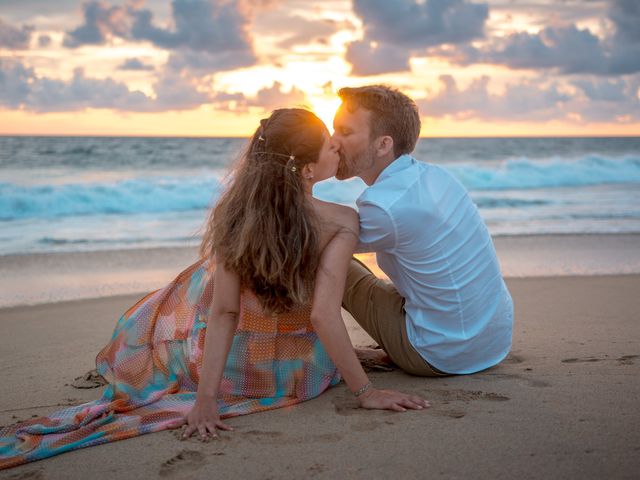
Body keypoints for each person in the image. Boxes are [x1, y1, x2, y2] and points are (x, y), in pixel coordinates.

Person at [0, 108, 427, 470]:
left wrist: (205, 400)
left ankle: (169, 356)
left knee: (198, 281)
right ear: (308, 169)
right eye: (329, 144)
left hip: (237, 372)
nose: (338, 145)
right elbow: (322, 314)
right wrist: (365, 392)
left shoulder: (236, 216)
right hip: (302, 374)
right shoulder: (340, 220)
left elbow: (225, 313)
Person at [332, 85, 513, 377]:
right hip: (492, 340)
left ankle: (305, 354)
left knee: (319, 259)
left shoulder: (385, 207)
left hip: (442, 354)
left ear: (383, 145)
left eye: (345, 132)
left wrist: (303, 180)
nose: (332, 142)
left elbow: (316, 240)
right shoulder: (436, 176)